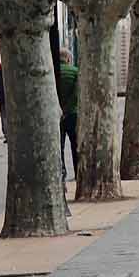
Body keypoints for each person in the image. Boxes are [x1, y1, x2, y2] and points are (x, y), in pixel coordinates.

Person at [56, 49, 79, 180]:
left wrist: (60, 109)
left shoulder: (53, 72)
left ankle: (62, 174)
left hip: (57, 115)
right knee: (75, 145)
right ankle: (78, 172)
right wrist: (67, 108)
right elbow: (77, 94)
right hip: (73, 114)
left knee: (60, 146)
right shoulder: (75, 72)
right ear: (69, 59)